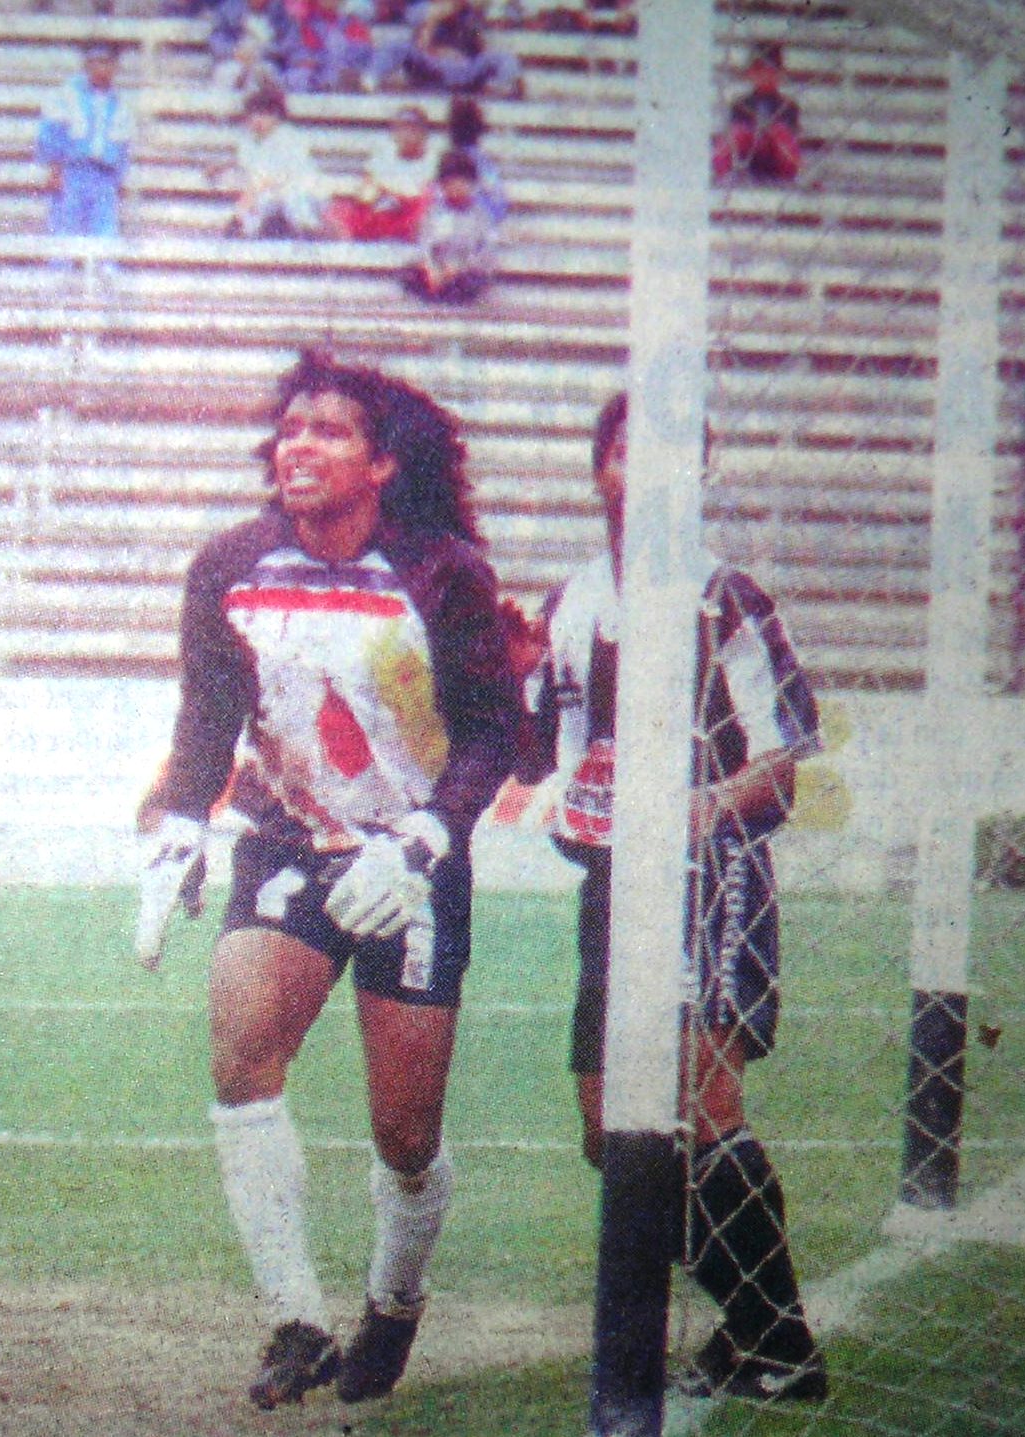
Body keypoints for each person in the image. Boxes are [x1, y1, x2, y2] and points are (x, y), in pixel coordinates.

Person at [135, 353, 520, 1409]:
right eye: (291, 427)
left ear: (381, 464)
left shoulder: (440, 573)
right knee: (241, 1049)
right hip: (287, 844)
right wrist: (179, 826)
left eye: (330, 430)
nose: (299, 445)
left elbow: (496, 732)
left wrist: (427, 839)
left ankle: (393, 1301)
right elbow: (209, 713)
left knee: (406, 1135)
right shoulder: (229, 564)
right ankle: (294, 1317)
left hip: (409, 865)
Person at [513, 391, 828, 1401]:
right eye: (622, 453)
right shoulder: (571, 606)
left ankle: (781, 1345)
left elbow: (781, 769)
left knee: (699, 1103)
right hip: (616, 885)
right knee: (609, 1129)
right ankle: (750, 1324)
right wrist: (534, 736)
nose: (641, 474)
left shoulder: (725, 600)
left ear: (699, 473)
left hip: (711, 876)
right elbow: (550, 761)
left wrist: (701, 809)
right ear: (598, 470)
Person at [36, 44, 136, 241]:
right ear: (87, 66)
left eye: (106, 63)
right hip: (73, 171)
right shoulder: (67, 96)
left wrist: (120, 178)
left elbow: (123, 145)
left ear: (115, 67)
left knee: (104, 233)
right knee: (66, 229)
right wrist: (55, 171)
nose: (100, 68)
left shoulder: (120, 103)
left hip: (104, 174)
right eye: (95, 63)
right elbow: (52, 133)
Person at [215, 88, 324, 239]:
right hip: (267, 192)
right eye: (254, 114)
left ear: (277, 116)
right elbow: (248, 167)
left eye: (265, 114)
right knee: (256, 206)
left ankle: (310, 235)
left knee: (294, 202)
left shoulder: (291, 137)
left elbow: (286, 174)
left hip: (298, 188)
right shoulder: (248, 139)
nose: (258, 120)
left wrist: (251, 195)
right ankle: (242, 235)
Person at [325, 105, 437, 242]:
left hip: (412, 214)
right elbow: (367, 191)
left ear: (424, 133)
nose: (407, 134)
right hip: (383, 210)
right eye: (402, 129)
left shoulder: (435, 161)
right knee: (339, 209)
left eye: (413, 129)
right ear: (394, 133)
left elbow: (429, 196)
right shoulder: (382, 158)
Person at [367, 0, 518, 97]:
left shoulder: (469, 16)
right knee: (396, 47)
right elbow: (419, 48)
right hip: (434, 68)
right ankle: (372, 77)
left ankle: (502, 86)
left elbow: (483, 49)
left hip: (463, 69)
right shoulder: (427, 14)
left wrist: (468, 18)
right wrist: (433, 21)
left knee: (503, 57)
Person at [400, 150, 496, 302]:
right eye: (450, 183)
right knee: (410, 274)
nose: (457, 187)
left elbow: (485, 250)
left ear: (473, 184)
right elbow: (425, 244)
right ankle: (435, 295)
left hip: (464, 270)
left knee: (472, 281)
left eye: (463, 183)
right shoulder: (434, 213)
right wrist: (432, 268)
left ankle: (451, 297)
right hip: (438, 268)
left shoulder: (481, 216)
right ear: (442, 185)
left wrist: (459, 268)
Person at [712, 41, 801, 184]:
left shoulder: (788, 106)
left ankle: (787, 178)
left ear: (780, 75)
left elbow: (789, 137)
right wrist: (752, 134)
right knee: (737, 132)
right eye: (759, 71)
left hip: (774, 155)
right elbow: (736, 134)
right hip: (748, 153)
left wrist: (770, 133)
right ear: (750, 73)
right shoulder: (740, 104)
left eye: (771, 71)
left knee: (781, 133)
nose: (764, 76)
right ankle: (723, 174)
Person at [273, 0, 369, 94]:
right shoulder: (303, 24)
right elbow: (293, 57)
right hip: (312, 80)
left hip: (344, 81)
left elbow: (363, 58)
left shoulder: (354, 26)